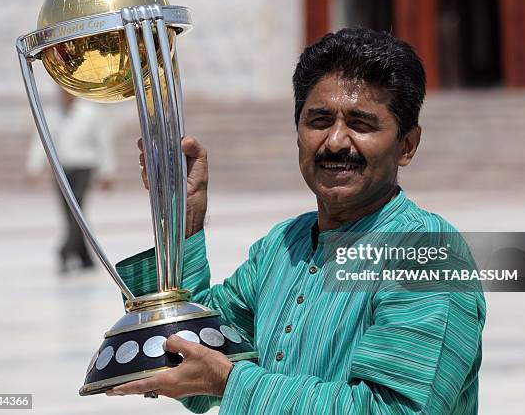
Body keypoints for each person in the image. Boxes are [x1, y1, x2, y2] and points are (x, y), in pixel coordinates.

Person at [109, 29, 486, 414]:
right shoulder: (283, 246)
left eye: (361, 124)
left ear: (407, 145)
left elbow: (395, 410)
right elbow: (194, 353)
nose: (336, 141)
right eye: (319, 120)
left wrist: (229, 382)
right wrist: (184, 215)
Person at [26, 89, 116, 272]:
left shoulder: (91, 112)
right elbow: (41, 139)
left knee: (77, 210)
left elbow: (103, 142)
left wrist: (107, 170)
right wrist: (34, 165)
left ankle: (65, 250)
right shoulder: (52, 114)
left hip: (84, 167)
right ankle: (85, 257)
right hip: (61, 169)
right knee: (69, 213)